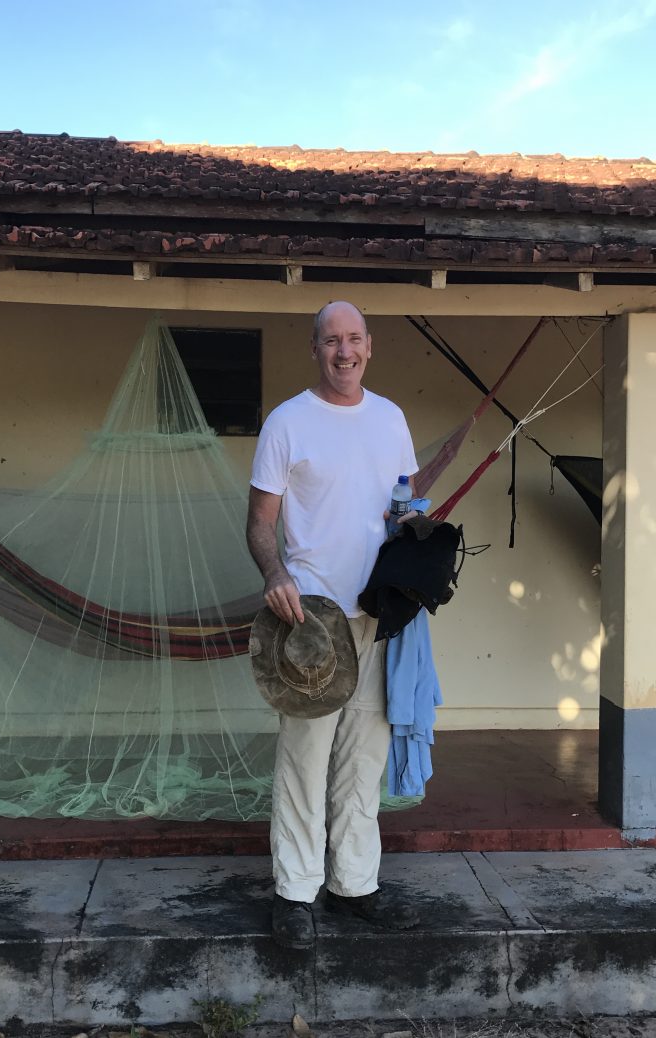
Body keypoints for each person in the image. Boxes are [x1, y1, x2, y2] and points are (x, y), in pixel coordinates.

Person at [246, 300, 421, 950]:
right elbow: (261, 522)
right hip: (313, 619)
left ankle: (355, 885)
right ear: (315, 349)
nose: (343, 352)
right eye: (330, 342)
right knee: (304, 761)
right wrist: (273, 573)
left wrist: (422, 544)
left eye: (353, 340)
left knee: (362, 759)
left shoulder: (392, 418)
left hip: (381, 614)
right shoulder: (288, 423)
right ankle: (295, 895)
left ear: (369, 346)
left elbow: (405, 504)